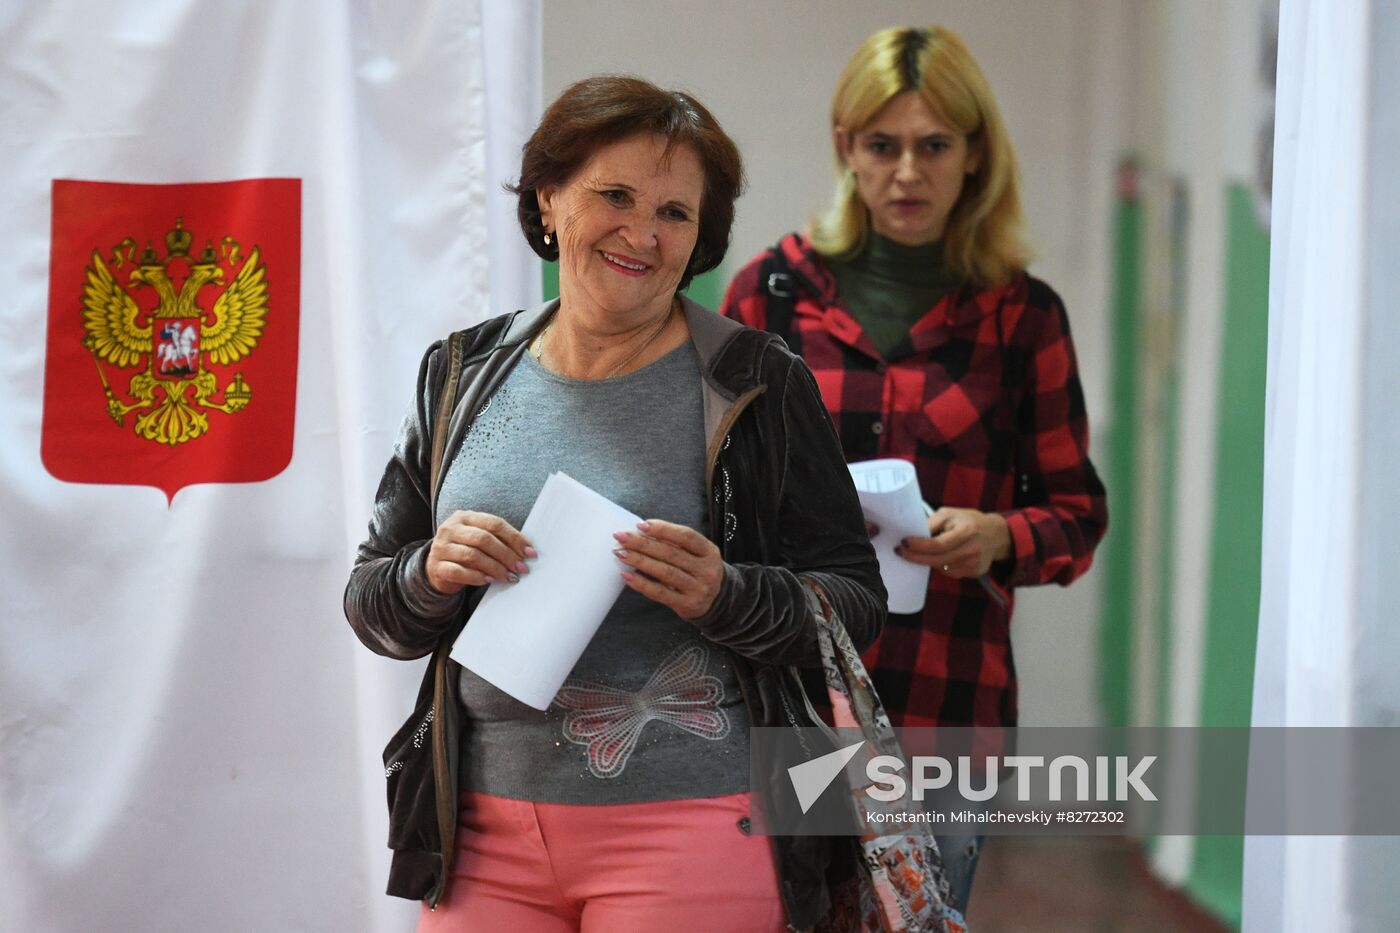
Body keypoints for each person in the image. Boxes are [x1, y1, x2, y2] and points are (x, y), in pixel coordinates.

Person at [344, 74, 885, 932]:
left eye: (675, 212)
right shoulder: (459, 371)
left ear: (701, 236)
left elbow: (853, 604)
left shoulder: (757, 380)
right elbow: (373, 603)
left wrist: (728, 595)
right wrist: (427, 573)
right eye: (615, 195)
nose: (643, 232)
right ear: (550, 198)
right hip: (478, 831)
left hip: (701, 817)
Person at [722, 25, 1109, 911]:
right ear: (845, 148)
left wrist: (999, 535)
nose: (907, 172)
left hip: (948, 708)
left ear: (974, 156)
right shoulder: (770, 296)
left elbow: (1077, 514)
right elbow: (714, 497)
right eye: (883, 145)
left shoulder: (1023, 318)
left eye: (934, 145)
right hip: (797, 697)